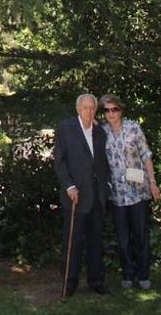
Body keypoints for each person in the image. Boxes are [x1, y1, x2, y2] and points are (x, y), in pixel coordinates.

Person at [99, 94, 161, 290]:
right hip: (117, 194)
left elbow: (146, 155)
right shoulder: (102, 132)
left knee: (140, 235)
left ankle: (143, 274)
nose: (111, 113)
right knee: (123, 237)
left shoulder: (133, 128)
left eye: (114, 109)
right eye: (107, 110)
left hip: (138, 191)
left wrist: (153, 182)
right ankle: (127, 274)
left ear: (121, 109)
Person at [53, 93, 112, 297]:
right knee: (73, 241)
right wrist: (69, 186)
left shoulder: (99, 131)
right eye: (85, 108)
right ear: (78, 109)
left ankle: (96, 281)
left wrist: (107, 184)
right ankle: (69, 282)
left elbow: (103, 162)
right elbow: (59, 161)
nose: (88, 112)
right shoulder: (66, 128)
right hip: (75, 195)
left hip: (97, 195)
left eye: (92, 108)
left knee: (96, 241)